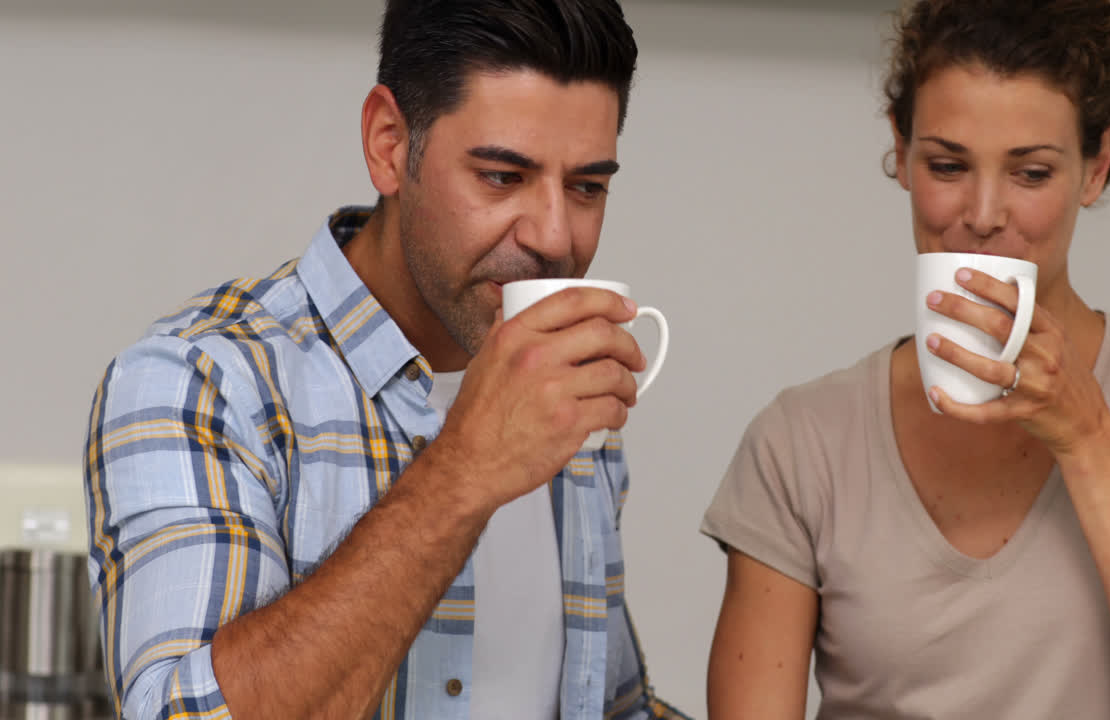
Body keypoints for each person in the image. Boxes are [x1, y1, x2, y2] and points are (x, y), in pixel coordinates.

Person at [82, 2, 687, 718]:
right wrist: (463, 471)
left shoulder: (570, 401)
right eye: (502, 176)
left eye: (587, 187)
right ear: (390, 143)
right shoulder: (200, 381)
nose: (555, 238)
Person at [701, 1, 1110, 718]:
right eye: (947, 164)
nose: (982, 213)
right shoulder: (801, 441)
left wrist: (1089, 436)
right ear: (902, 150)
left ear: (1096, 167)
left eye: (1031, 173)